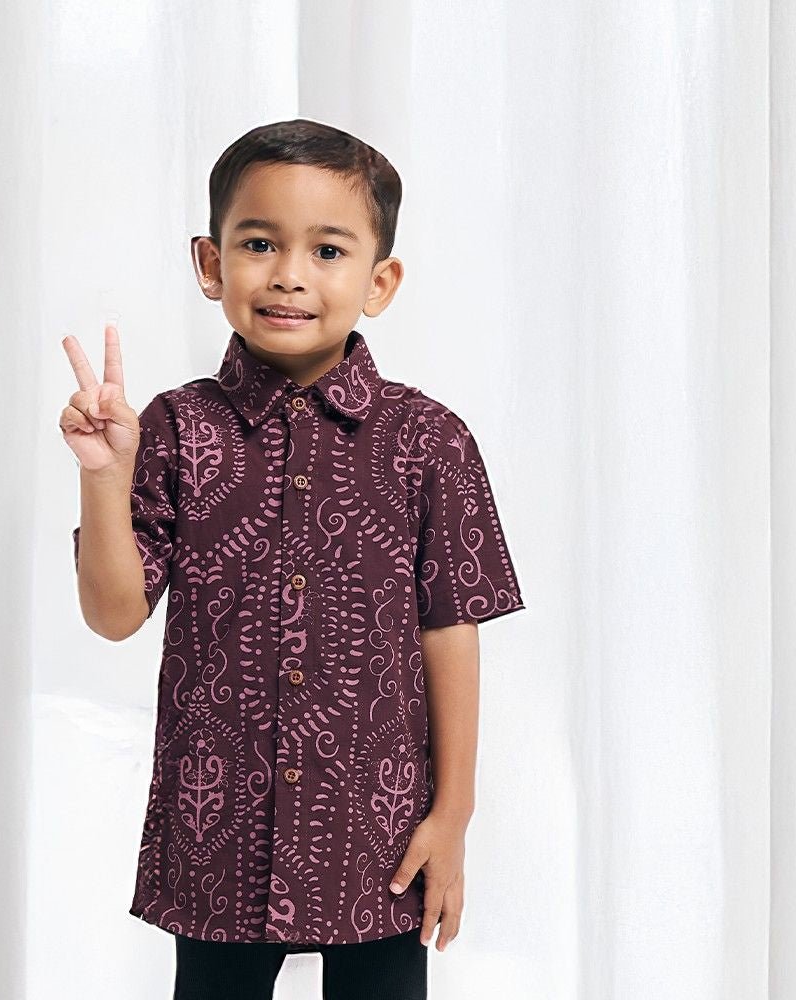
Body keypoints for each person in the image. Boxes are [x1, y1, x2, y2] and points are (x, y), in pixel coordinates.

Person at [59, 118, 526, 1000]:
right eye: (260, 243)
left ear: (380, 281)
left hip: (378, 827)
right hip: (219, 831)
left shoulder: (428, 441)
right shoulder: (175, 429)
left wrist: (453, 813)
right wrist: (106, 477)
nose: (289, 274)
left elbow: (450, 630)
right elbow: (114, 615)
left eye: (329, 250)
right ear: (211, 263)